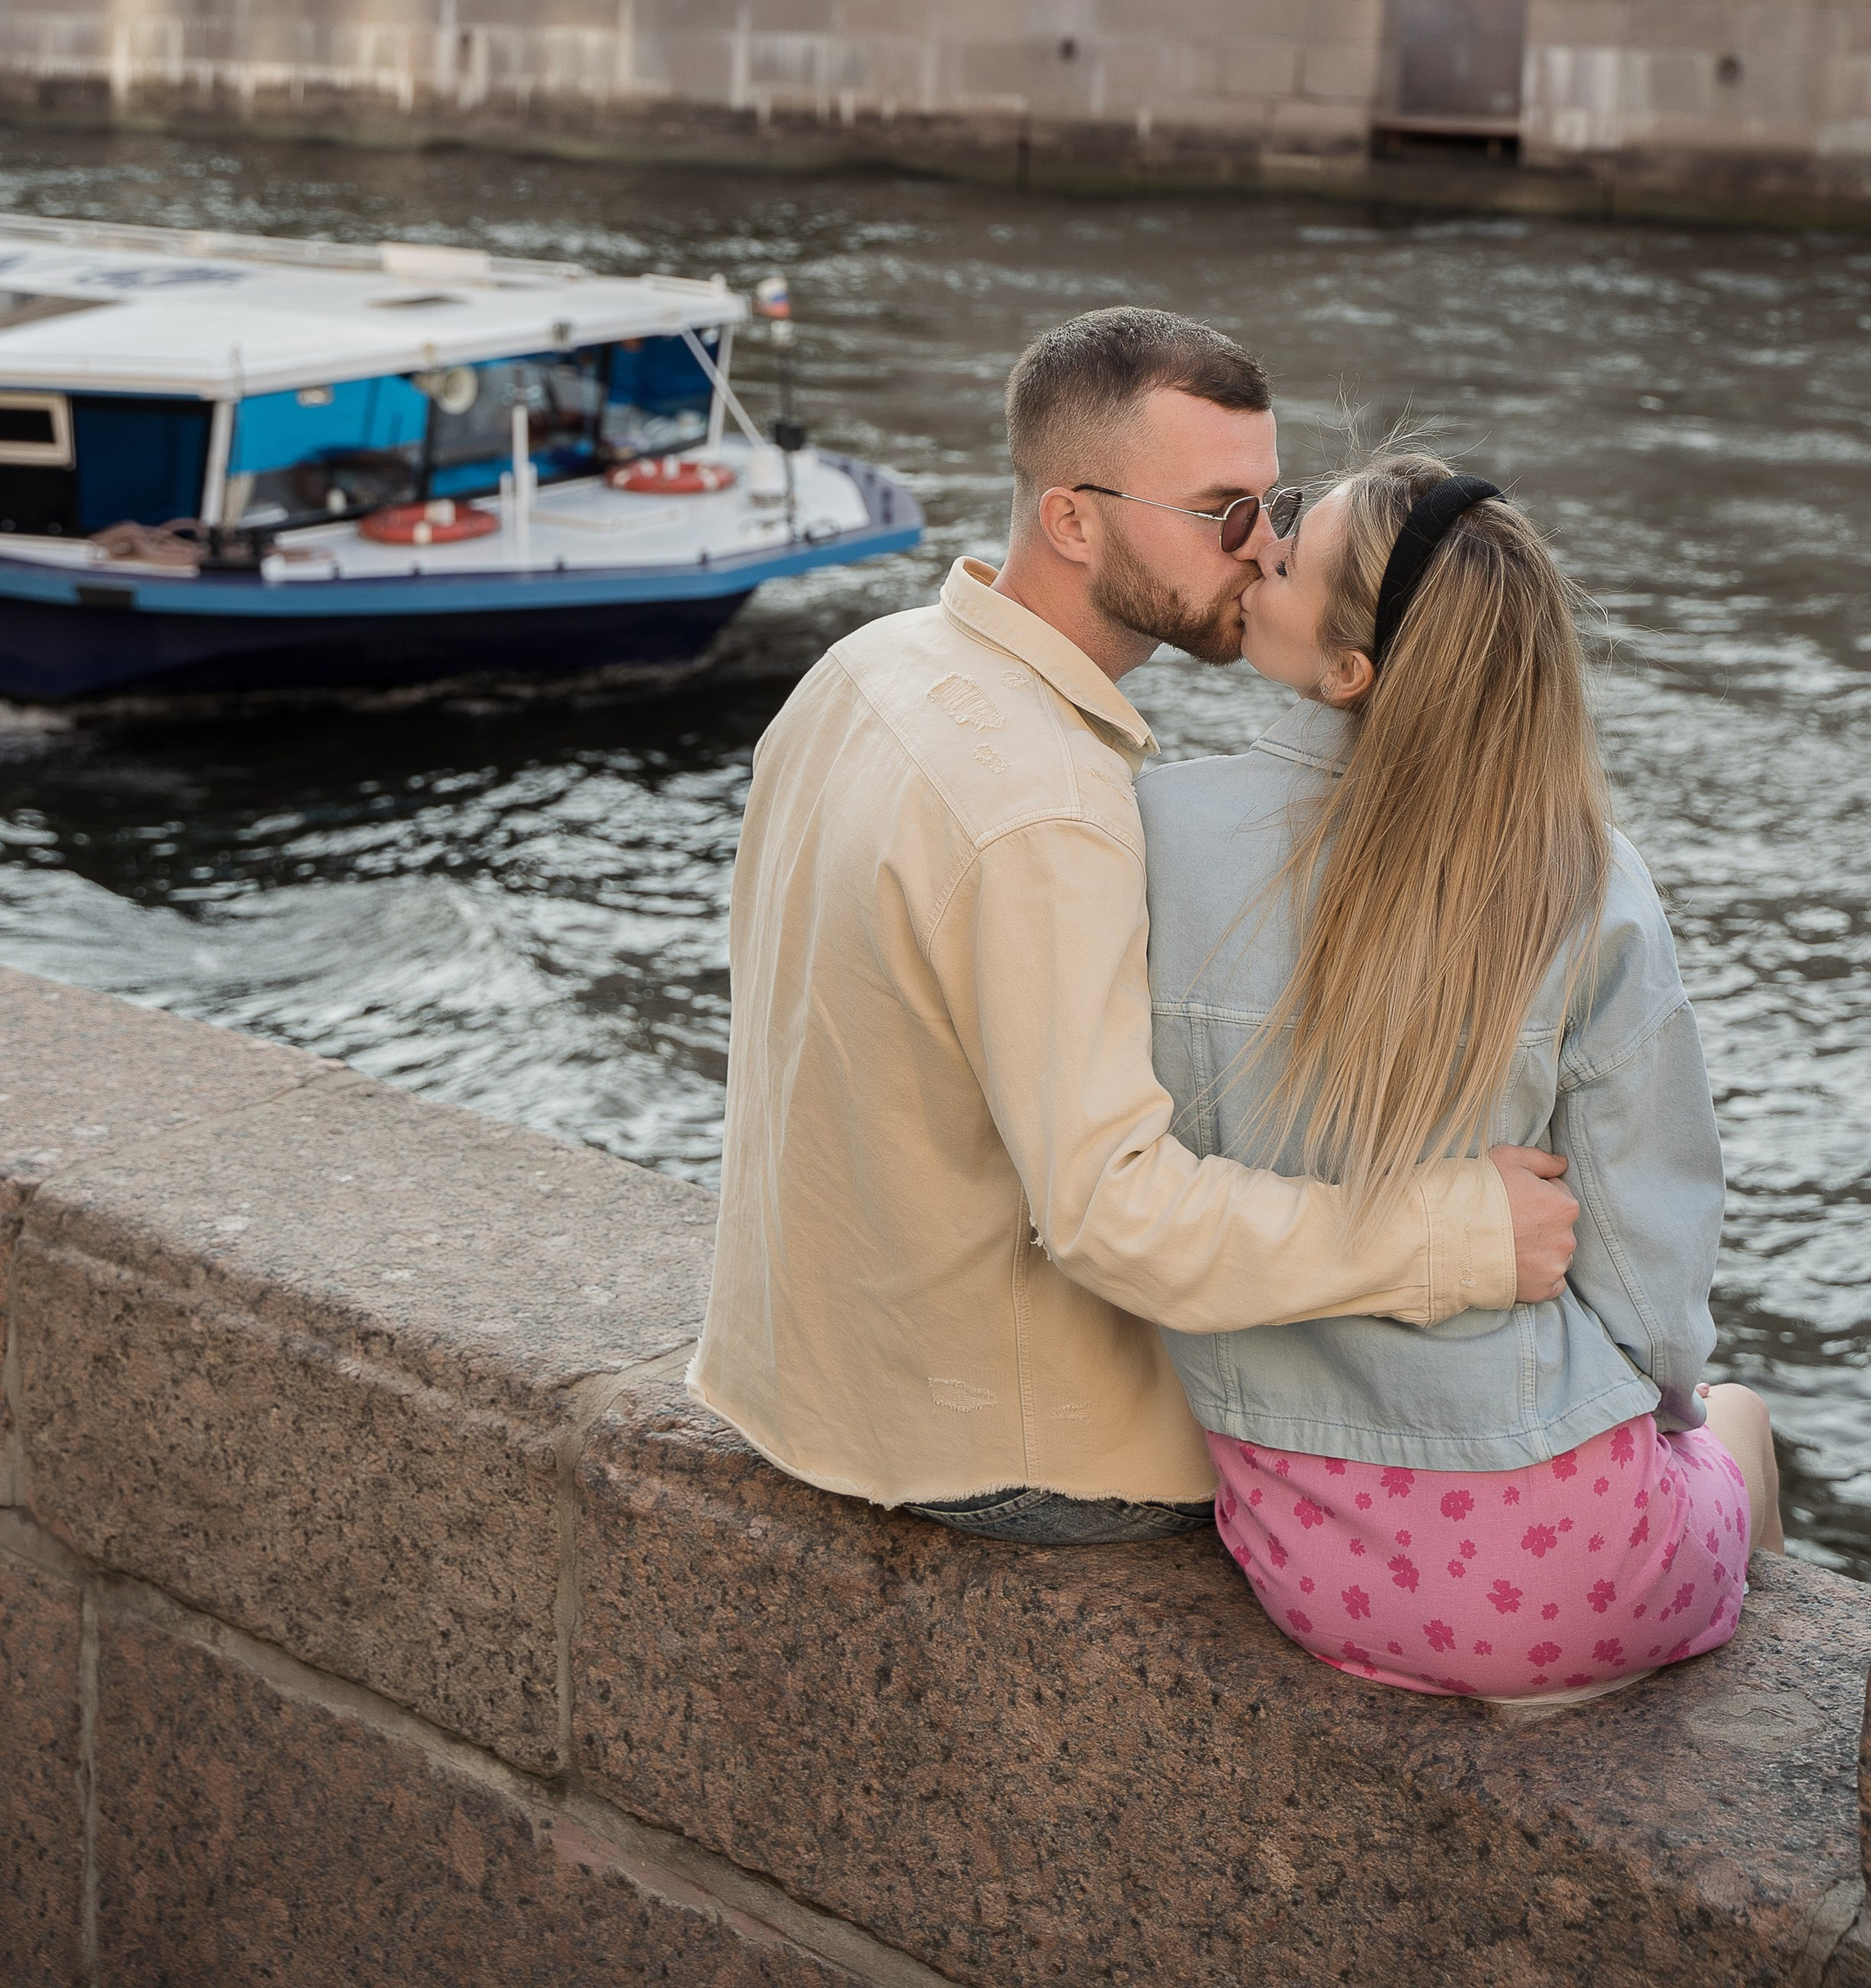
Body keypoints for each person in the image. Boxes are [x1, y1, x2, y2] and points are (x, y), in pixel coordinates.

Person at [694, 315, 1579, 1546]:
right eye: (1222, 511)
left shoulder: (860, 667)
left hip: (799, 1375)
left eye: (1272, 505)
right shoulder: (1054, 808)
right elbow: (1116, 1214)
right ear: (1073, 519)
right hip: (1000, 1449)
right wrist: (1460, 1231)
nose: (1265, 550)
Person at [1144, 449, 1780, 1698]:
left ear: (1347, 672)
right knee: (1733, 1412)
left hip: (1309, 1552)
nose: (1255, 544)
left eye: (1286, 542)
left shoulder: (1154, 835)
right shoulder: (1585, 881)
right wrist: (1667, 1405)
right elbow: (1654, 1290)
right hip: (1573, 1566)